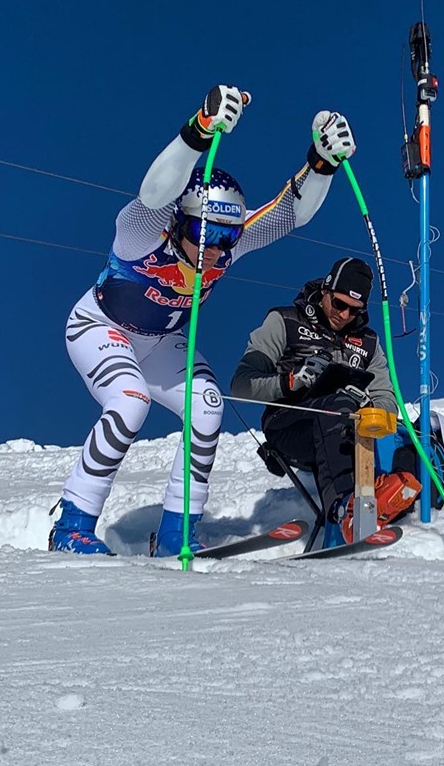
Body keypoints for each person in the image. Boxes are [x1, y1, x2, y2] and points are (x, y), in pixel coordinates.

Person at [49, 85, 357, 556]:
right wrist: (199, 129)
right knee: (129, 404)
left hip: (161, 341)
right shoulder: (141, 234)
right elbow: (153, 191)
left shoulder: (223, 252)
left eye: (228, 237)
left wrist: (322, 163)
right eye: (205, 233)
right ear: (178, 222)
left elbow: (290, 213)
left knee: (208, 406)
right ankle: (71, 525)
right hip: (100, 326)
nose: (215, 248)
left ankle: (177, 531)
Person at [230, 257, 421, 546]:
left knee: (416, 433)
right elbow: (241, 385)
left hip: (348, 428)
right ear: (325, 291)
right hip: (291, 425)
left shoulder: (367, 341)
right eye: (339, 304)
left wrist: (376, 411)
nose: (344, 315)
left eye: (354, 310)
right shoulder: (285, 321)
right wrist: (291, 381)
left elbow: (385, 394)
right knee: (337, 405)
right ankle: (345, 508)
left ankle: (394, 496)